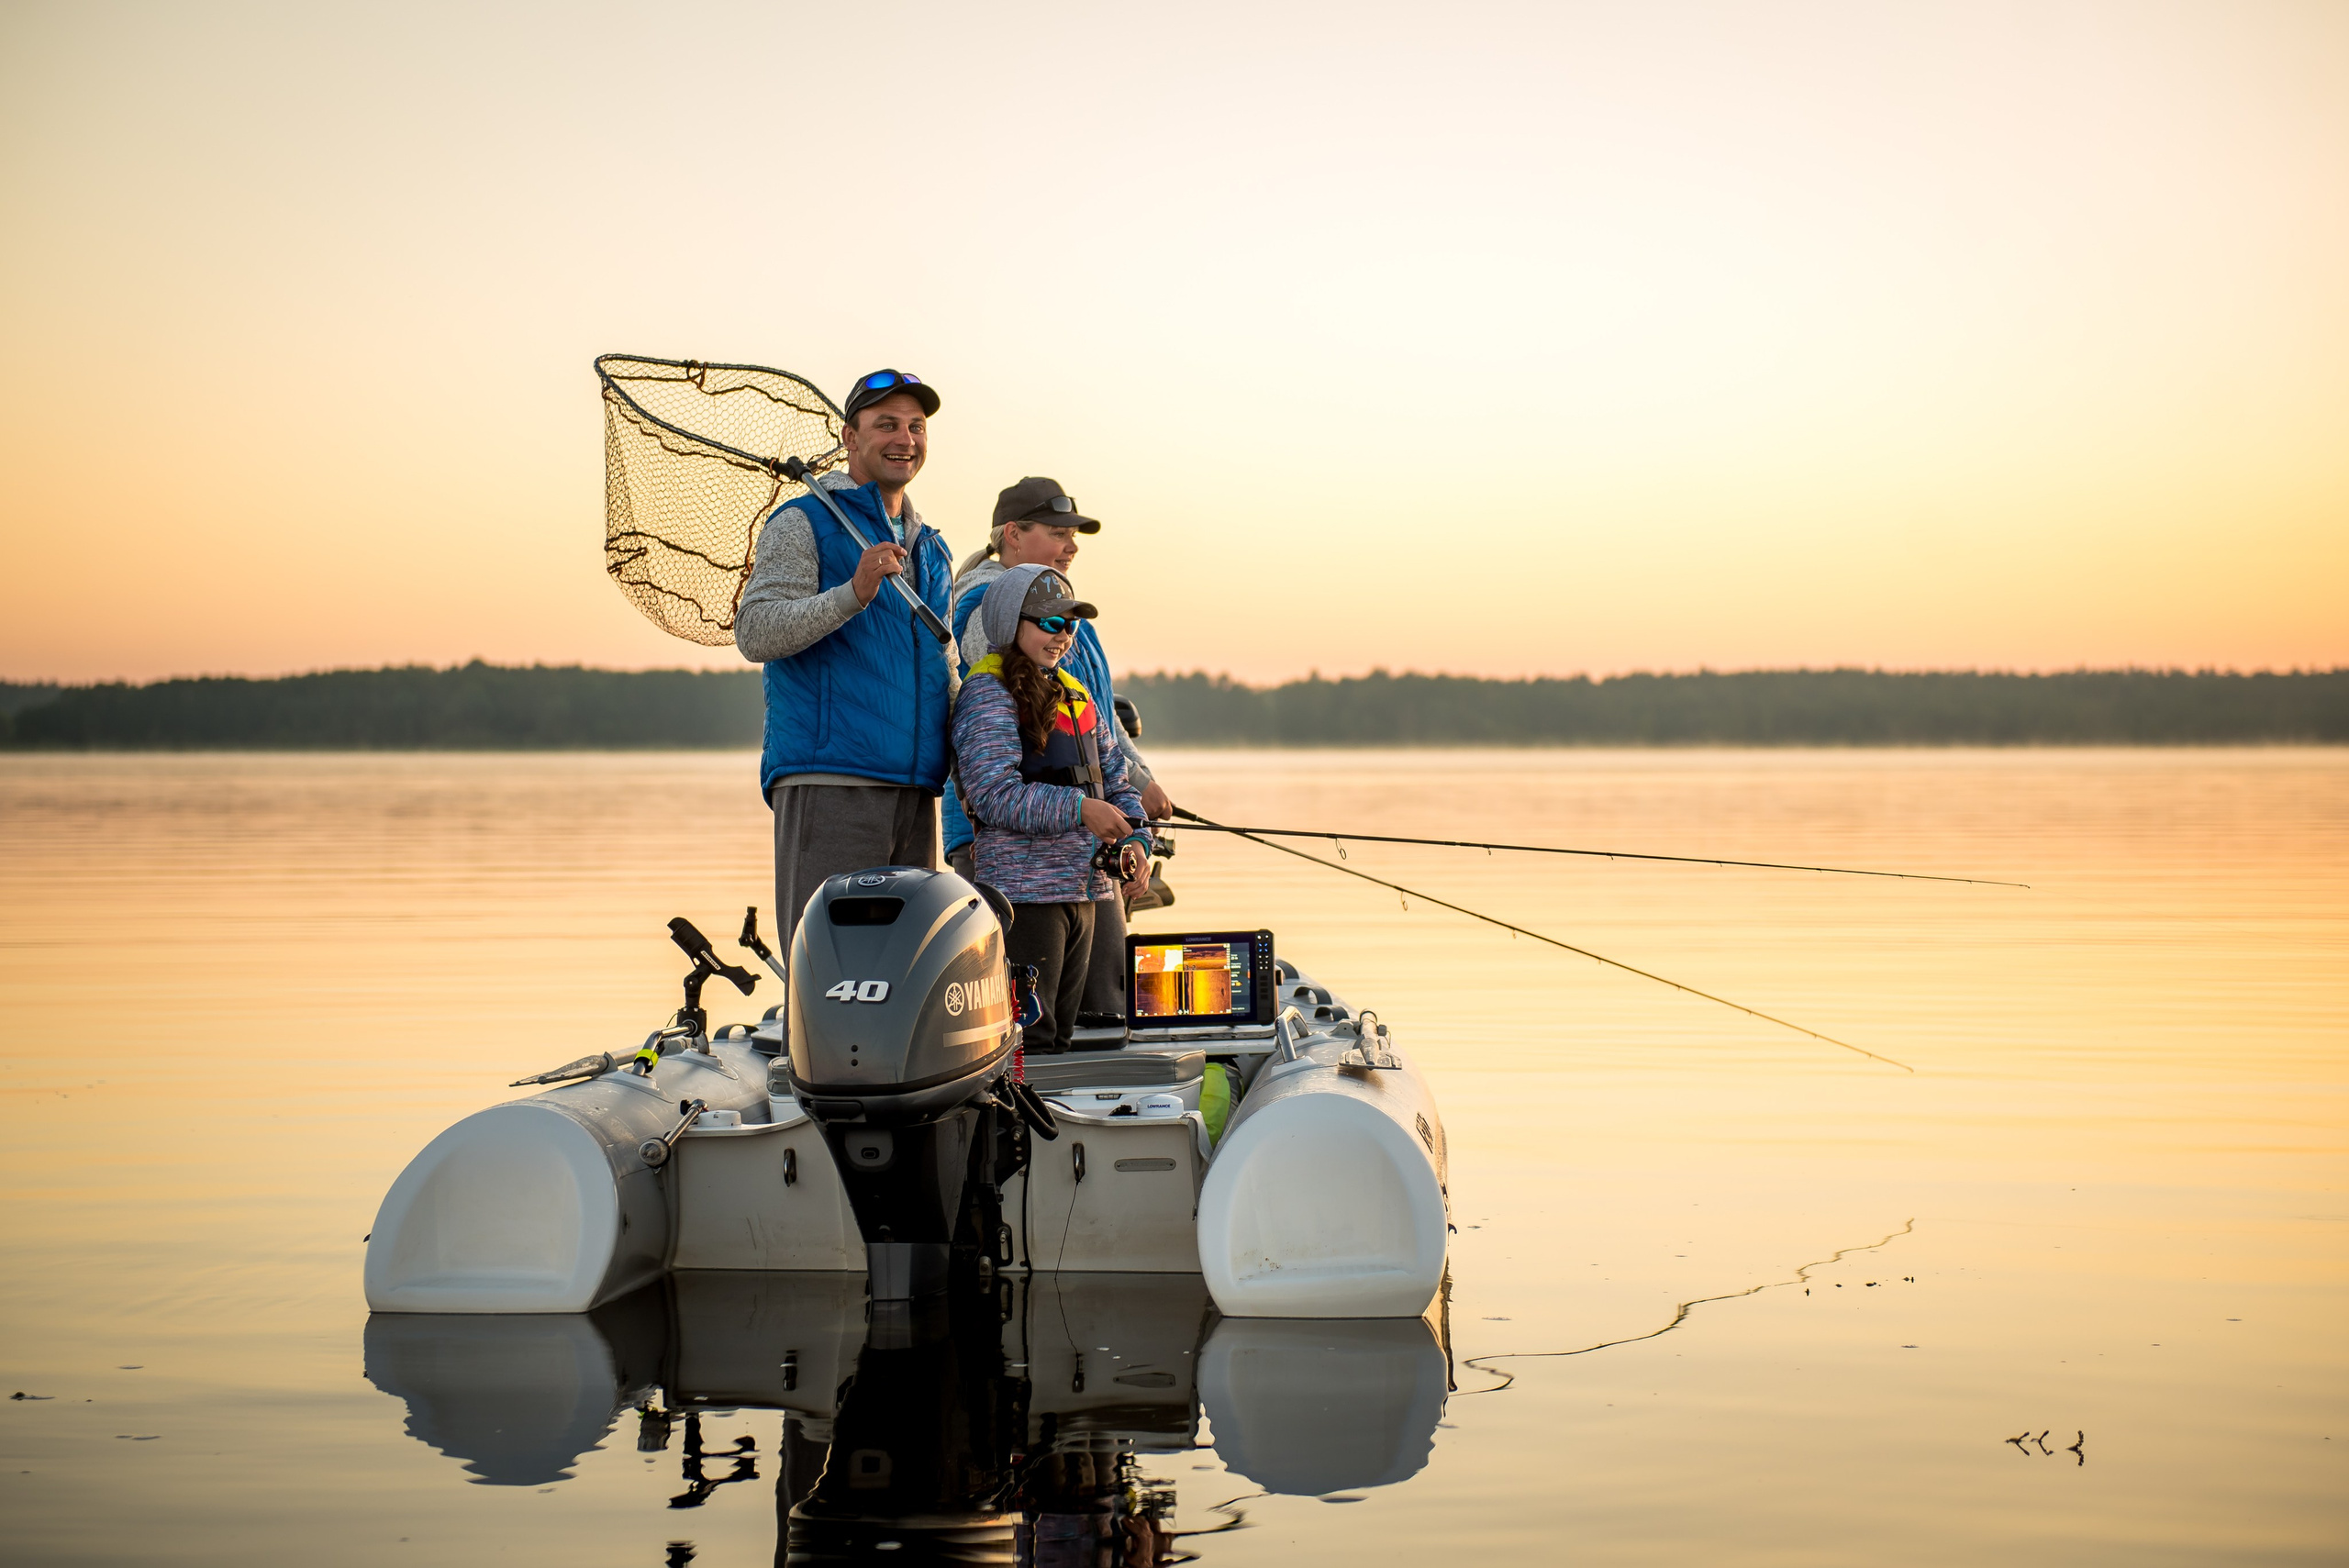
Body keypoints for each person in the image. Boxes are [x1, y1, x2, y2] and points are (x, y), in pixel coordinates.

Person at [733, 369, 956, 962]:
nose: (904, 438)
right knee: (830, 968)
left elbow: (945, 667)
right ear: (849, 437)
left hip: (915, 791)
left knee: (903, 975)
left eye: (915, 426)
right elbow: (755, 631)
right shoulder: (803, 522)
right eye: (886, 424)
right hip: (831, 781)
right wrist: (853, 592)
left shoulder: (932, 548)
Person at [943, 477, 1174, 1026]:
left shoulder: (1069, 640)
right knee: (1032, 1033)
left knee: (1101, 1014)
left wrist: (1137, 822)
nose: (1071, 545)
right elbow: (995, 778)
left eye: (1067, 623)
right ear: (1013, 535)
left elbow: (1105, 750)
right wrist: (1082, 809)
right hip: (1018, 873)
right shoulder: (986, 611)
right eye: (1057, 532)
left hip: (1085, 868)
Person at [952, 564, 1151, 1053]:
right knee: (1030, 1043)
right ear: (1008, 622)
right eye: (1049, 622)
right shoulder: (986, 692)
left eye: (1070, 623)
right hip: (1024, 899)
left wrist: (1137, 843)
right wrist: (1081, 810)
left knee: (1062, 1036)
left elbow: (1117, 783)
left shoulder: (1077, 695)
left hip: (1087, 892)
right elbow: (993, 794)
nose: (1062, 635)